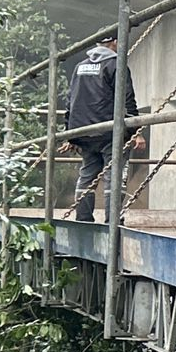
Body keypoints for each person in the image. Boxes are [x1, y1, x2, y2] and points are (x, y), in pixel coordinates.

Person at [62, 35, 144, 222]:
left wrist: (70, 133)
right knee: (114, 177)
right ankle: (113, 223)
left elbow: (71, 100)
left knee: (87, 176)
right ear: (114, 42)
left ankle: (83, 220)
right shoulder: (116, 65)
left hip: (83, 132)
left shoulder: (80, 67)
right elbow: (127, 99)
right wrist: (134, 131)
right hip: (108, 132)